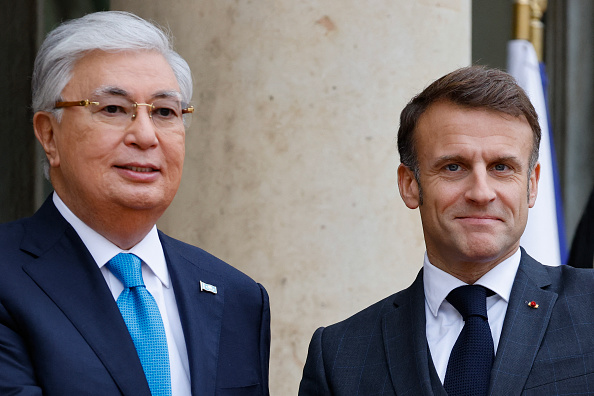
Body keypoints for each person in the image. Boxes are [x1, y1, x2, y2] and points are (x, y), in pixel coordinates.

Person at [0, 11, 270, 396]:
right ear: (49, 135)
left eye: (164, 112)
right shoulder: (8, 277)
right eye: (112, 108)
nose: (145, 136)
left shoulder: (237, 297)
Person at [299, 66, 594, 395]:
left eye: (501, 167)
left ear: (532, 184)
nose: (481, 193)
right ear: (410, 184)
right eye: (453, 166)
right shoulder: (340, 355)